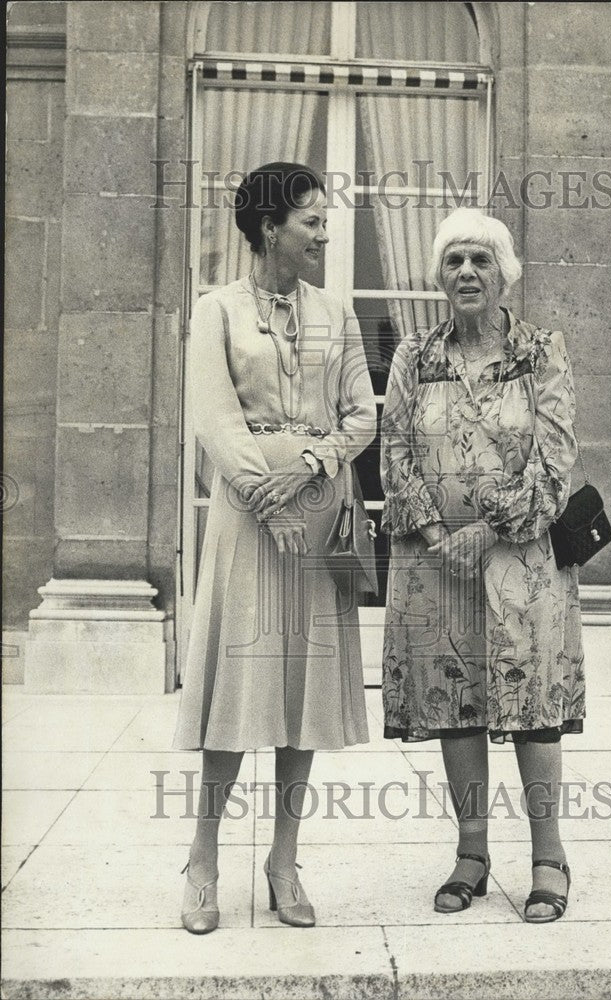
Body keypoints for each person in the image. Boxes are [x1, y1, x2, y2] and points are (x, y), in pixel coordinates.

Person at [173, 162, 376, 932]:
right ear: (269, 228)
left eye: (325, 221)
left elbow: (362, 416)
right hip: (247, 511)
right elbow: (213, 415)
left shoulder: (337, 312)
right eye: (311, 221)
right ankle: (202, 860)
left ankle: (283, 861)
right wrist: (267, 495)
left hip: (318, 512)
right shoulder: (217, 309)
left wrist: (314, 467)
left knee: (304, 694)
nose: (323, 234)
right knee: (237, 685)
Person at [380, 207, 585, 923]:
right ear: (439, 276)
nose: (466, 272)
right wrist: (440, 533)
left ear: (505, 273)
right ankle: (472, 854)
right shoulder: (415, 356)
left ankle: (549, 857)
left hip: (522, 562)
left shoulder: (541, 351)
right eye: (454, 261)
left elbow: (556, 460)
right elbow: (395, 453)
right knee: (453, 702)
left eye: (481, 259)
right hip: (435, 563)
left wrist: (486, 530)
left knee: (533, 707)